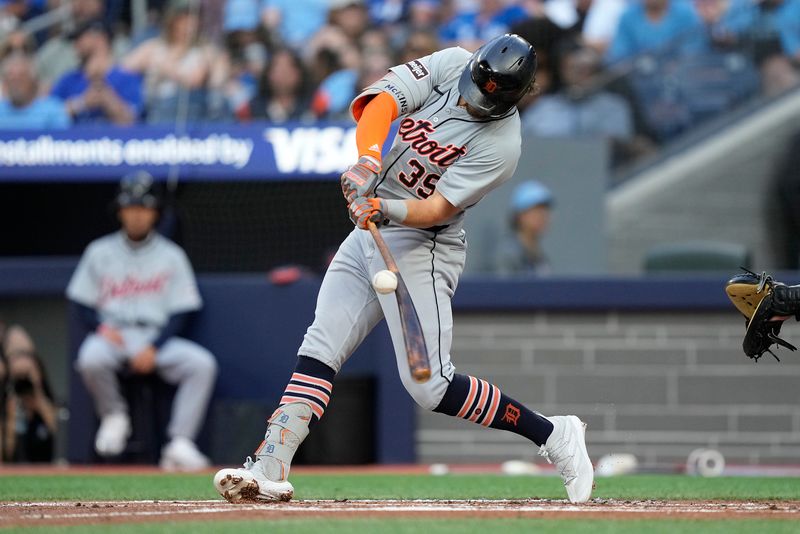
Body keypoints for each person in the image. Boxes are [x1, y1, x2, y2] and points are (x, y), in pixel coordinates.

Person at [213, 33, 593, 504]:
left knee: (430, 387)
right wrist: (368, 161)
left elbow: (436, 208)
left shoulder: (503, 145)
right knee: (321, 344)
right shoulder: (451, 63)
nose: (474, 103)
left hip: (423, 244)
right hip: (372, 227)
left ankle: (554, 434)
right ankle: (270, 464)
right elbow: (381, 102)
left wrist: (383, 207)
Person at [67, 171, 217, 471]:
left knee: (202, 364)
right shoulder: (99, 251)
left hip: (157, 338)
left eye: (143, 208)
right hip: (114, 335)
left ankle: (180, 442)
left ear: (155, 213)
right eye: (130, 207)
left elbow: (182, 311)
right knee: (90, 357)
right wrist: (100, 328)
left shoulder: (171, 255)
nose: (136, 215)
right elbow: (81, 303)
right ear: (120, 211)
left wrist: (154, 346)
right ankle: (114, 415)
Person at [50, 20, 143, 125]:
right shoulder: (69, 80)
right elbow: (47, 117)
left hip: (113, 140)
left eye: (79, 38)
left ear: (99, 37)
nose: (75, 45)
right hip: (72, 140)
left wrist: (106, 98)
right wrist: (82, 103)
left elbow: (132, 122)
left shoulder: (126, 78)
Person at [1, 325, 58, 463]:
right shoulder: (8, 396)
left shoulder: (39, 393)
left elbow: (53, 426)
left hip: (41, 462)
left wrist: (36, 389)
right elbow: (7, 448)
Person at [493, 180, 554, 276]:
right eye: (536, 210)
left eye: (545, 211)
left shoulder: (540, 256)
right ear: (520, 215)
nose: (543, 216)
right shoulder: (507, 255)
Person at [0, 52, 70, 130]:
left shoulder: (52, 111)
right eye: (11, 78)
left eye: (21, 77)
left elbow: (62, 139)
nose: (16, 84)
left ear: (34, 81)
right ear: (5, 83)